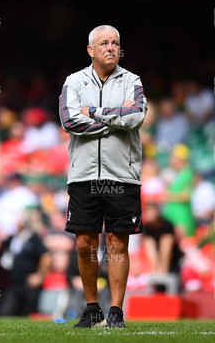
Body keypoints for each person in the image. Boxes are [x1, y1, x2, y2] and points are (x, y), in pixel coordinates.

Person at [58, 25, 147, 328]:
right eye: (104, 43)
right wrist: (114, 120)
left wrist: (93, 111)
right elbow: (69, 120)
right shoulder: (74, 81)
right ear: (90, 50)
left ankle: (117, 311)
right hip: (83, 175)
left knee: (117, 244)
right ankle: (92, 307)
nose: (111, 48)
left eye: (116, 43)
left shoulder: (132, 80)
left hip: (123, 175)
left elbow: (135, 116)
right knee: (84, 243)